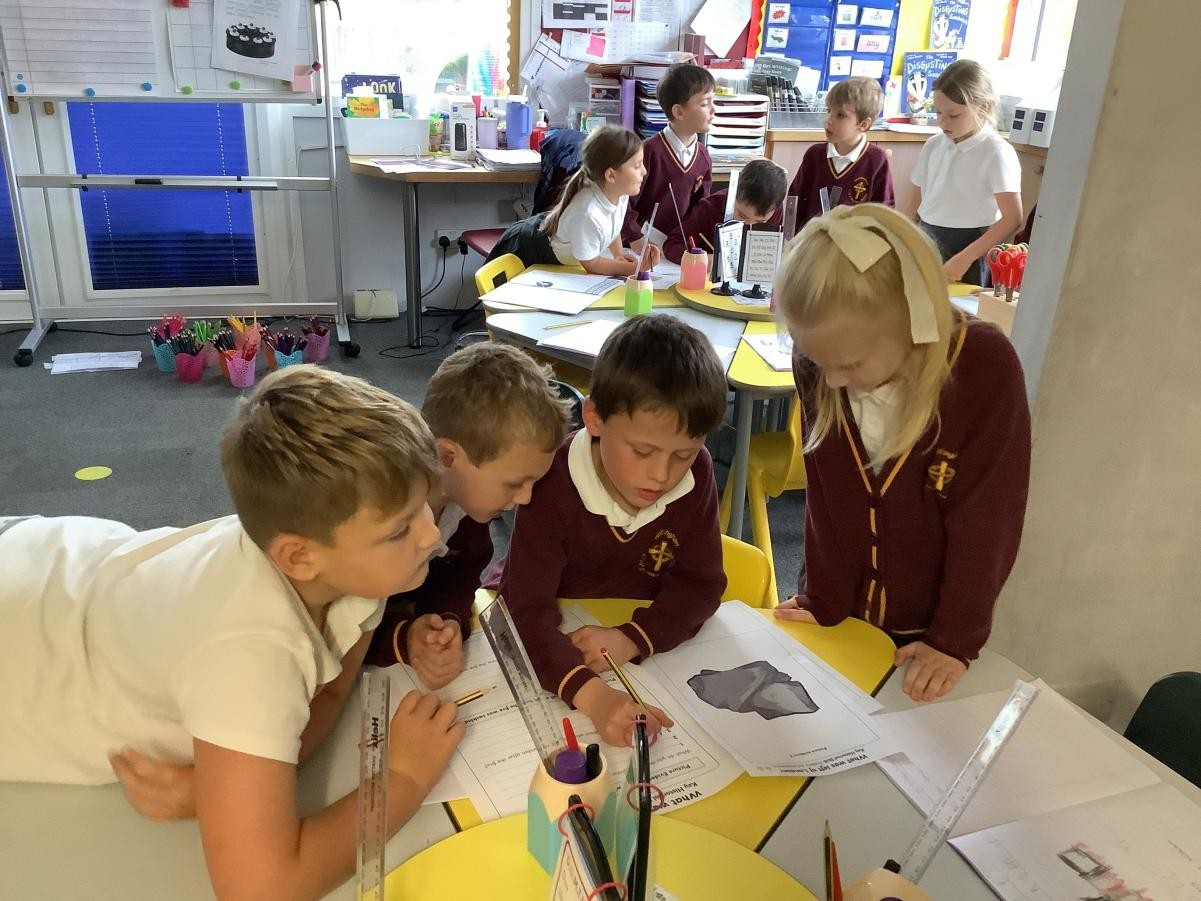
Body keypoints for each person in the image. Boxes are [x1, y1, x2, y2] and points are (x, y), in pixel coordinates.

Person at [0, 367, 464, 900]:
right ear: (299, 557)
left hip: (51, 573)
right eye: (401, 528)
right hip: (22, 646)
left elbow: (330, 692)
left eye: (423, 506)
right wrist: (403, 778)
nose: (431, 533)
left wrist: (221, 786)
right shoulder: (250, 654)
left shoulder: (348, 563)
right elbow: (260, 889)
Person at [772, 204, 1031, 702]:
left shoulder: (983, 368)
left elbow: (988, 522)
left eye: (850, 364)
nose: (831, 381)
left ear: (915, 324)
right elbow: (826, 498)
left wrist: (953, 640)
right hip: (845, 618)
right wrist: (822, 598)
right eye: (820, 362)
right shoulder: (820, 360)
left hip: (930, 636)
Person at [486, 315, 729, 746]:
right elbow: (523, 609)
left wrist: (633, 638)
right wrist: (594, 697)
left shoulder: (699, 472)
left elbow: (702, 584)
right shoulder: (552, 478)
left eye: (683, 454)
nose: (662, 474)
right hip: (557, 644)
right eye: (643, 450)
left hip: (635, 643)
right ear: (595, 418)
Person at [363, 343, 571, 686]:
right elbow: (338, 627)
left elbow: (461, 577)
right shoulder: (374, 517)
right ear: (447, 456)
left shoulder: (469, 508)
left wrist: (445, 619)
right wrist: (402, 638)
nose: (526, 497)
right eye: (514, 483)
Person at [902, 59, 1023, 285]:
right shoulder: (933, 145)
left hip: (971, 249)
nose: (942, 122)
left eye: (953, 115)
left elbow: (1012, 218)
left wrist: (965, 258)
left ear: (985, 107)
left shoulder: (996, 152)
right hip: (927, 239)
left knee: (960, 307)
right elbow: (912, 204)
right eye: (938, 113)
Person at [487, 125, 661, 275]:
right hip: (529, 249)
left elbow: (613, 225)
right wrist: (636, 268)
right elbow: (592, 264)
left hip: (556, 250)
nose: (644, 171)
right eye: (637, 165)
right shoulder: (587, 213)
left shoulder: (619, 194)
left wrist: (619, 255)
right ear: (610, 175)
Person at [622, 63, 715, 248]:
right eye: (705, 104)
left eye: (713, 101)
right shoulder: (647, 152)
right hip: (637, 247)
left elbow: (699, 212)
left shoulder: (703, 157)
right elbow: (623, 202)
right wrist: (634, 237)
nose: (713, 110)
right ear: (679, 112)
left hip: (674, 248)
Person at [787, 76, 895, 229]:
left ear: (863, 124)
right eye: (829, 111)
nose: (829, 120)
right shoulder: (814, 155)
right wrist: (793, 239)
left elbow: (884, 214)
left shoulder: (876, 160)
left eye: (840, 115)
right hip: (812, 240)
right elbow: (795, 201)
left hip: (853, 243)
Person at [663, 158, 788, 264]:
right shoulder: (711, 207)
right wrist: (705, 260)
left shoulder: (774, 208)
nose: (749, 228)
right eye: (742, 216)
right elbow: (673, 245)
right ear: (734, 195)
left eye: (761, 222)